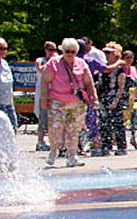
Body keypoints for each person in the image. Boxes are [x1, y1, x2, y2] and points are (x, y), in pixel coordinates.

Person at [41, 37, 98, 168]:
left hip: (77, 102)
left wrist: (94, 98)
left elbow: (89, 82)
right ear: (62, 51)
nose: (70, 54)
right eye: (67, 51)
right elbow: (45, 81)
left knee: (74, 130)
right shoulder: (54, 63)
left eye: (73, 51)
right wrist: (43, 100)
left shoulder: (81, 63)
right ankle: (53, 151)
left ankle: (72, 156)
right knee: (55, 127)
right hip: (57, 101)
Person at [33, 42, 58, 151]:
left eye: (54, 49)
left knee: (55, 118)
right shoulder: (40, 60)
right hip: (42, 93)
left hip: (54, 92)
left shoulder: (57, 60)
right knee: (43, 117)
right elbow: (41, 69)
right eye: (50, 49)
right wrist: (51, 61)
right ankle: (40, 141)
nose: (52, 52)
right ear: (45, 50)